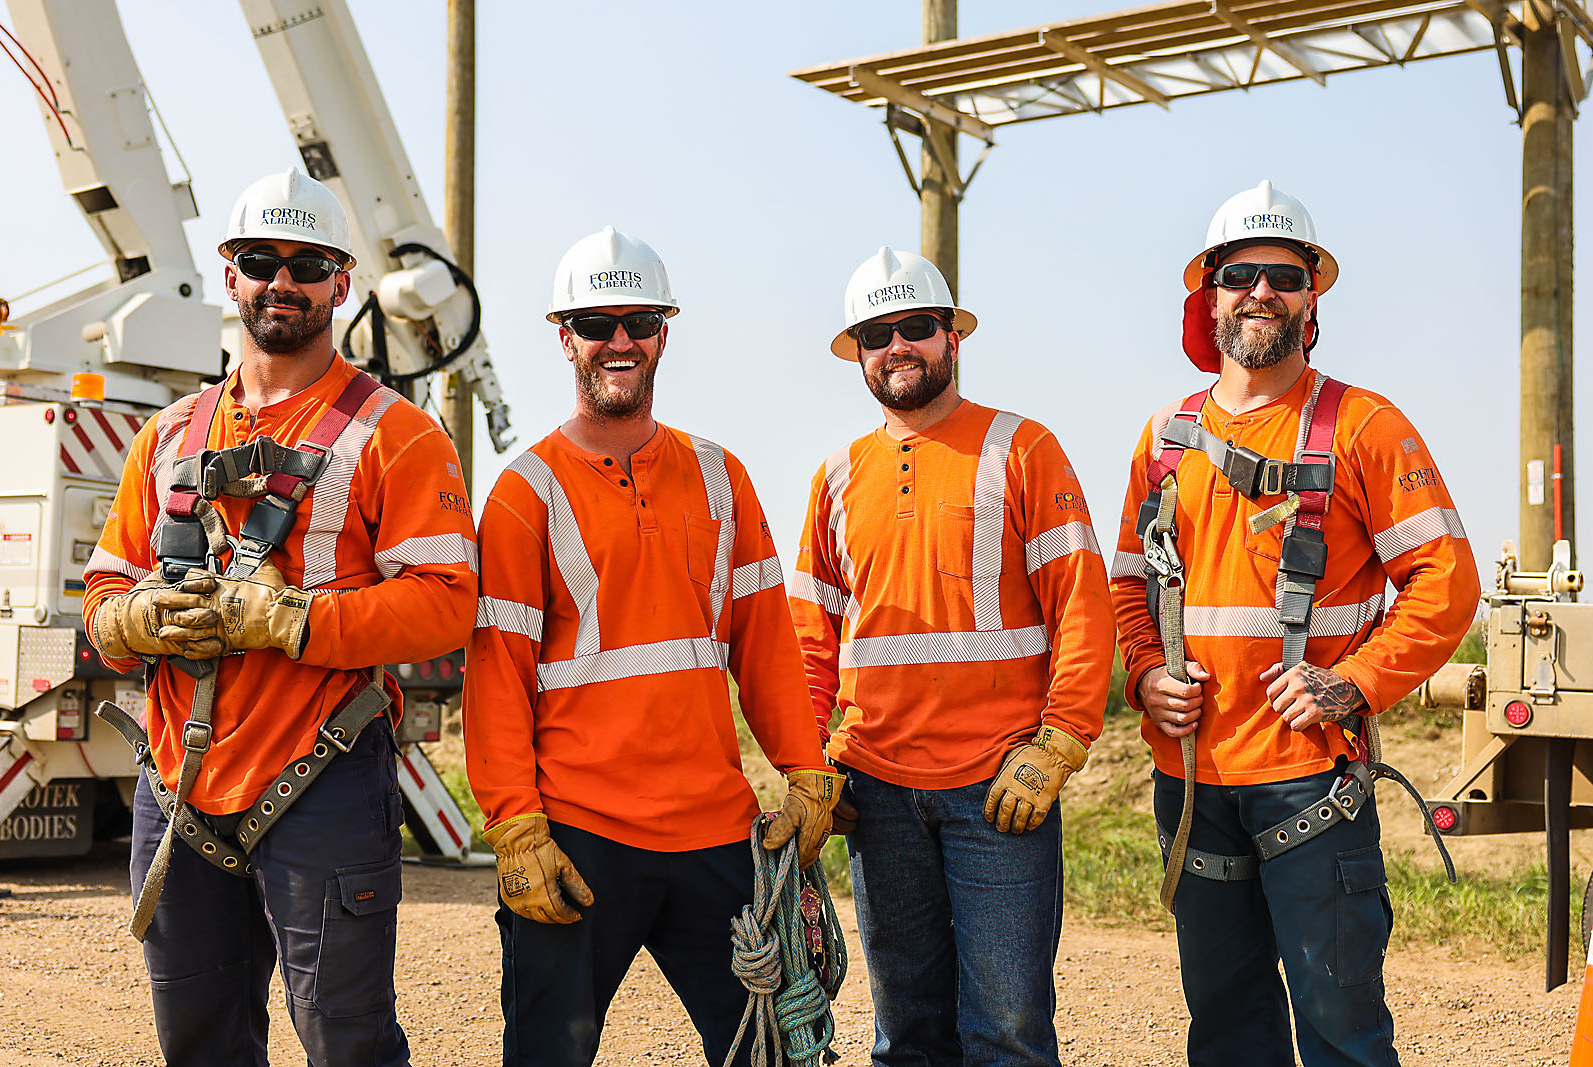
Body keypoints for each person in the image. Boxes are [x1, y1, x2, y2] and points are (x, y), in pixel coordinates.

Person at [82, 167, 478, 1066]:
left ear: (343, 282)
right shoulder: (171, 436)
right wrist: (135, 622)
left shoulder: (397, 433)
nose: (282, 282)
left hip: (321, 782)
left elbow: (447, 605)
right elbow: (103, 596)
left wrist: (290, 622)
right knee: (199, 1043)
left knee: (347, 1042)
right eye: (261, 260)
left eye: (308, 264)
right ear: (231, 276)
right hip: (177, 784)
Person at [1110, 180, 1481, 1066]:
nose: (1261, 291)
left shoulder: (1364, 426)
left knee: (1341, 1033)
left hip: (1312, 783)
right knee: (1229, 1031)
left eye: (1283, 274)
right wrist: (1144, 677)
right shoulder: (1164, 438)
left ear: (1311, 296)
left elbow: (1446, 580)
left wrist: (1352, 681)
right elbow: (1127, 588)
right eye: (1241, 273)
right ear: (1210, 294)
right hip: (1195, 781)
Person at [463, 226, 843, 1067]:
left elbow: (768, 645)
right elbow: (496, 676)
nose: (619, 340)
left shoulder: (721, 475)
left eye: (638, 320)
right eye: (597, 323)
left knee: (772, 1055)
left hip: (713, 827)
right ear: (566, 338)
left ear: (665, 331)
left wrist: (804, 765)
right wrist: (515, 827)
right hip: (577, 832)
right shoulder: (526, 492)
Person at [788, 246, 1115, 1065]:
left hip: (1000, 790)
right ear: (857, 352)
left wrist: (1062, 740)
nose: (897, 345)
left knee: (1006, 1033)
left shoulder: (1023, 449)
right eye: (876, 333)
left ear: (953, 338)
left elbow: (1082, 604)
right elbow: (807, 638)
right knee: (906, 1037)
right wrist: (807, 763)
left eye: (916, 327)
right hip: (877, 792)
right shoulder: (836, 476)